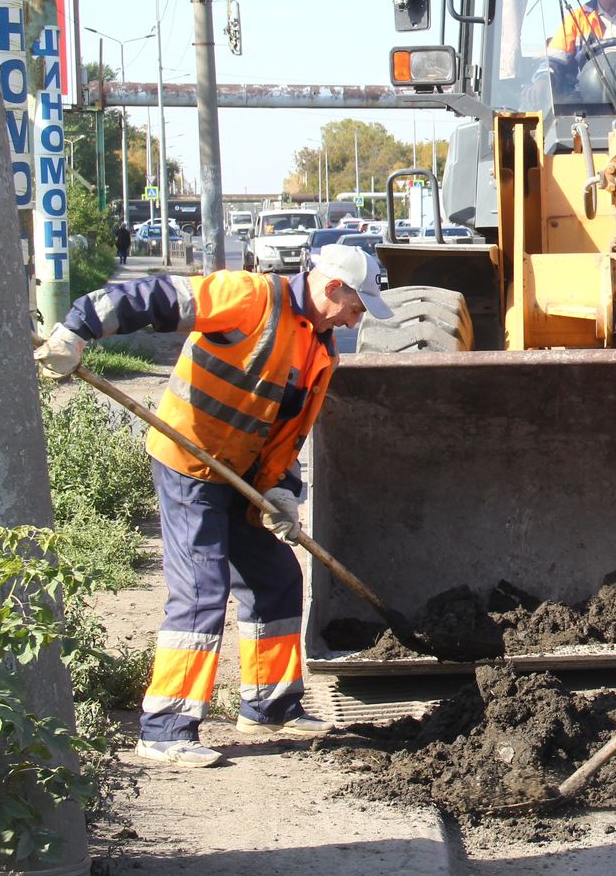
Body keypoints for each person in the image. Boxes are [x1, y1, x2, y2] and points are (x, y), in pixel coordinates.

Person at [33, 245, 394, 768]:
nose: (357, 318)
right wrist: (78, 329)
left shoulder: (321, 350)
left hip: (240, 473)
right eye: (358, 306)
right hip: (188, 462)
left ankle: (270, 704)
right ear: (332, 288)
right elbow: (152, 296)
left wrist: (280, 489)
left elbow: (288, 431)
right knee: (203, 588)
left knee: (275, 576)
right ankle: (165, 728)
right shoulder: (248, 298)